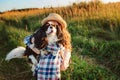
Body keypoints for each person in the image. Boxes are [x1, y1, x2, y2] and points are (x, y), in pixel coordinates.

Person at [27, 13, 72, 80]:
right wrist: (32, 45)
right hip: (42, 67)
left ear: (59, 26)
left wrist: (65, 62)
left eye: (54, 25)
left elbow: (67, 49)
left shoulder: (63, 37)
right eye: (49, 24)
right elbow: (28, 40)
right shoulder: (40, 34)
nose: (51, 27)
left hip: (55, 69)